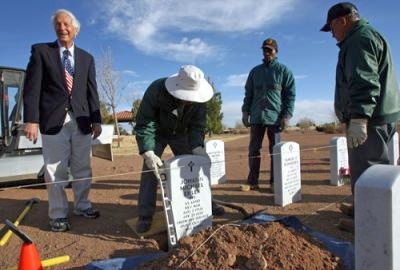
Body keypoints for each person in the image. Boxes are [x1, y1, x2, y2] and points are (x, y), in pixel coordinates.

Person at [321, 2, 400, 232]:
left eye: (331, 28)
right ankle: (361, 207)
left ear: (342, 21)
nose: (331, 34)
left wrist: (358, 119)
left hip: (371, 119)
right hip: (380, 115)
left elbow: (364, 81)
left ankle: (370, 223)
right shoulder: (365, 36)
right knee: (363, 168)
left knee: (370, 170)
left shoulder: (358, 40)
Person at [23, 9, 102, 232]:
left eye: (66, 24)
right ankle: (58, 214)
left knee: (82, 166)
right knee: (54, 169)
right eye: (58, 24)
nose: (62, 28)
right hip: (52, 119)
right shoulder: (41, 52)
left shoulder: (87, 58)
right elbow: (32, 89)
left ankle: (83, 205)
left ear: (75, 30)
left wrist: (96, 120)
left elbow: (91, 92)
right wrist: (31, 119)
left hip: (82, 120)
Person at [134, 65, 225, 233]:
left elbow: (198, 126)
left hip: (182, 134)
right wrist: (148, 151)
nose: (190, 101)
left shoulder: (199, 99)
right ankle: (145, 215)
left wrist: (198, 148)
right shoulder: (156, 90)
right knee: (150, 170)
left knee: (196, 167)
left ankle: (207, 204)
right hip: (157, 134)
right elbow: (145, 123)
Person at [241, 38, 296, 192]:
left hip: (275, 118)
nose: (266, 53)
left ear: (276, 51)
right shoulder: (255, 72)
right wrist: (245, 111)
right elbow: (248, 94)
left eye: (269, 50)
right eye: (264, 50)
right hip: (257, 117)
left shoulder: (284, 71)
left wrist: (287, 115)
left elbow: (290, 95)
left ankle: (275, 182)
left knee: (276, 151)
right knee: (253, 150)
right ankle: (252, 181)